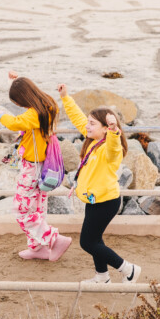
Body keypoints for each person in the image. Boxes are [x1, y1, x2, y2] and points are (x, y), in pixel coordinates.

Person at [58, 83, 142, 284]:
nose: (87, 126)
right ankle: (102, 276)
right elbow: (78, 118)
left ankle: (128, 270)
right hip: (94, 199)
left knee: (87, 242)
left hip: (106, 202)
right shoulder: (93, 140)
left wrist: (114, 130)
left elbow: (114, 148)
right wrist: (65, 97)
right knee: (95, 240)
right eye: (89, 122)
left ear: (105, 129)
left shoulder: (110, 150)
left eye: (92, 123)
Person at [0, 71, 72, 261]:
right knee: (37, 209)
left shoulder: (33, 114)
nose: (19, 106)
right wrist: (14, 81)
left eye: (19, 103)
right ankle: (37, 248)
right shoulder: (48, 104)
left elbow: (14, 123)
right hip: (43, 166)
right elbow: (26, 93)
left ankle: (53, 239)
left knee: (21, 209)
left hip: (32, 168)